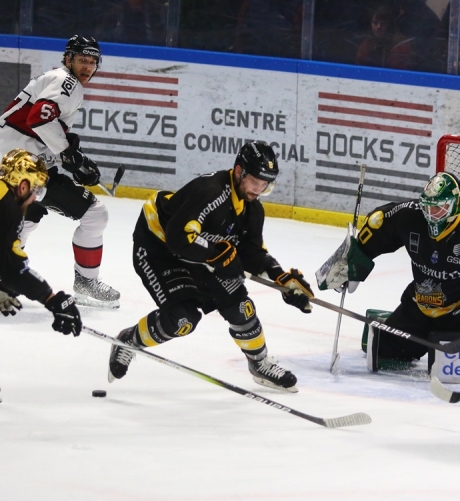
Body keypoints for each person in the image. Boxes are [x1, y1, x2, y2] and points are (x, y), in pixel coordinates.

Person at [106, 141, 314, 392]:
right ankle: (129, 341)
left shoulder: (252, 208)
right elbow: (178, 239)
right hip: (158, 248)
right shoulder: (210, 192)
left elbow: (251, 251)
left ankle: (259, 364)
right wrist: (217, 255)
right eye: (255, 182)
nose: (259, 189)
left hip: (199, 253)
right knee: (183, 319)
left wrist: (280, 277)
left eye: (265, 183)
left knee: (241, 307)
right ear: (239, 172)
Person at [317, 171, 460, 371]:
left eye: (439, 208)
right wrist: (354, 260)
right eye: (428, 206)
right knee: (382, 351)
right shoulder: (410, 216)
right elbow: (379, 222)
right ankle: (396, 328)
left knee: (453, 363)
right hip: (423, 305)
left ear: (457, 205)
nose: (432, 214)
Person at [0, 35, 121, 308]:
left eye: (92, 62)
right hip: (17, 168)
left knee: (35, 213)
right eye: (82, 60)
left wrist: (70, 153)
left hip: (23, 164)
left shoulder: (62, 80)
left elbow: (39, 124)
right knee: (86, 213)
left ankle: (10, 277)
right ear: (68, 59)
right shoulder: (66, 81)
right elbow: (40, 117)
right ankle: (81, 283)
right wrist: (68, 154)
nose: (87, 67)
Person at [0, 149, 82, 337]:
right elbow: (15, 271)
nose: (35, 197)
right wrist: (52, 300)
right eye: (35, 190)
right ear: (22, 187)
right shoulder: (8, 208)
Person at [356, 5, 415, 70]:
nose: (378, 27)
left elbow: (398, 74)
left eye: (383, 23)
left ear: (390, 25)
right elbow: (359, 68)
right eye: (375, 22)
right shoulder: (366, 45)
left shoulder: (401, 46)